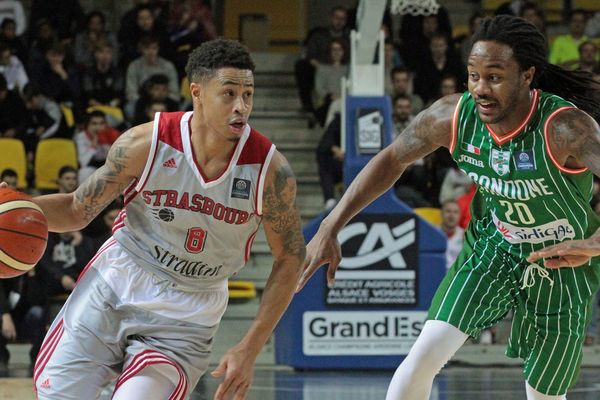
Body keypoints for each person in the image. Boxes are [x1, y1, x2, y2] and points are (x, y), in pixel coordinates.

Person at [298, 15, 600, 400]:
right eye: (473, 75)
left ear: (527, 75)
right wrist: (331, 224)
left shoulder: (565, 128)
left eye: (494, 76)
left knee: (543, 394)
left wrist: (593, 245)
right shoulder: (452, 118)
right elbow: (391, 159)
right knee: (425, 353)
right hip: (495, 247)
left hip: (563, 260)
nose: (480, 88)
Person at [14, 38, 305, 400]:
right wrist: (17, 208)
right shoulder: (144, 144)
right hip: (117, 282)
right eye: (228, 93)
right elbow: (77, 208)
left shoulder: (270, 171)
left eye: (248, 94)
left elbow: (291, 257)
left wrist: (250, 346)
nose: (241, 106)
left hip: (188, 310)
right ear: (197, 93)